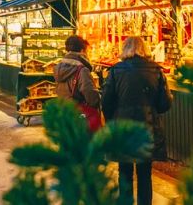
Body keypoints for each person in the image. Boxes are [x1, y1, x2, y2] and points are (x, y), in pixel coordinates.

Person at [101, 37, 173, 205]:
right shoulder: (156, 70)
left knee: (124, 171)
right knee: (144, 172)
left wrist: (113, 120)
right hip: (147, 127)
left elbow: (106, 101)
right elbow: (164, 104)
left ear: (125, 49)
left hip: (123, 128)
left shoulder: (115, 71)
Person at [53, 35, 100, 108]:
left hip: (64, 111)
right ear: (82, 50)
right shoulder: (82, 70)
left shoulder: (59, 67)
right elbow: (91, 96)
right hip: (79, 113)